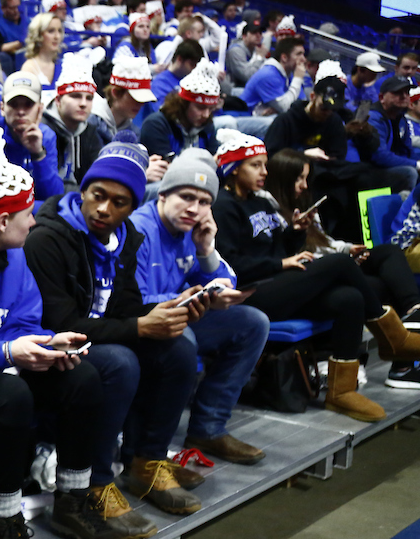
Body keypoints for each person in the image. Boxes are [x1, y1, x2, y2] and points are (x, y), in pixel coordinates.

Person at [0, 127, 130, 539]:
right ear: (2, 221)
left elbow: (26, 320)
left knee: (80, 375)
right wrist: (9, 353)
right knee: (13, 397)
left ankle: (73, 501)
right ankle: (3, 527)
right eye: (27, 214)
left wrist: (49, 344)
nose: (34, 221)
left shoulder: (15, 257)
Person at [25, 141, 208, 517]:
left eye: (120, 203)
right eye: (98, 195)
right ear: (84, 191)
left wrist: (168, 309)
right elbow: (61, 323)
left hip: (95, 336)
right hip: (49, 347)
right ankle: (97, 480)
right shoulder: (48, 237)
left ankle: (147, 463)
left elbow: (122, 307)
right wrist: (141, 325)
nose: (105, 209)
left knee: (179, 347)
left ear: (132, 207)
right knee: (120, 362)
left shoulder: (126, 239)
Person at [212, 132, 420, 420]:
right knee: (339, 263)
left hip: (277, 285)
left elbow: (276, 248)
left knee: (350, 298)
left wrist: (295, 233)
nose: (264, 172)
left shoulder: (260, 201)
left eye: (264, 165)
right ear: (234, 169)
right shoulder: (222, 206)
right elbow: (231, 265)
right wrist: (282, 263)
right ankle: (393, 338)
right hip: (249, 295)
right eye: (255, 166)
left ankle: (341, 392)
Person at [131, 149, 270, 463]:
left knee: (252, 322)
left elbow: (226, 278)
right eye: (186, 197)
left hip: (178, 316)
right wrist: (180, 301)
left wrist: (207, 250)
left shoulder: (192, 230)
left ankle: (208, 428)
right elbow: (131, 301)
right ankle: (149, 454)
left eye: (205, 202)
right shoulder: (139, 230)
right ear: (164, 194)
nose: (194, 209)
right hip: (139, 326)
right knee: (184, 339)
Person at [267, 148, 420, 388]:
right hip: (309, 277)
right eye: (298, 179)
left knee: (388, 253)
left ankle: (415, 310)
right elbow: (292, 257)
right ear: (281, 178)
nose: (305, 185)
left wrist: (348, 249)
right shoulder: (269, 213)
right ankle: (401, 364)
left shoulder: (304, 204)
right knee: (377, 286)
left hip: (334, 263)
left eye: (306, 178)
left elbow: (324, 242)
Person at [0, 70, 62, 202]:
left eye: (28, 104)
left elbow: (53, 196)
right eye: (13, 104)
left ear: (40, 108)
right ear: (2, 108)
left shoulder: (46, 136)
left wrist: (38, 153)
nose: (21, 111)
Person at [140, 61, 221, 161]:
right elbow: (164, 170)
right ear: (183, 104)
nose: (206, 115)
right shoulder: (156, 124)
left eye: (211, 109)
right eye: (200, 107)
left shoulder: (207, 125)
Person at [43, 59, 103, 191]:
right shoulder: (43, 129)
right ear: (58, 100)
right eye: (76, 96)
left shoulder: (89, 131)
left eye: (89, 98)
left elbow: (98, 176)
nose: (83, 103)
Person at [367, 76, 420, 195]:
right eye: (397, 92)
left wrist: (416, 163)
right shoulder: (373, 118)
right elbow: (380, 156)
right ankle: (404, 211)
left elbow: (407, 151)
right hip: (368, 170)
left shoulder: (401, 119)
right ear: (381, 97)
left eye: (406, 92)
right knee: (409, 172)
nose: (404, 96)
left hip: (386, 168)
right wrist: (416, 164)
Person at [90, 57, 156, 144]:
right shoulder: (90, 124)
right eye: (135, 98)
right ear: (116, 93)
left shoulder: (133, 133)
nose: (141, 104)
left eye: (143, 100)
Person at [242, 36, 307, 118]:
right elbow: (284, 107)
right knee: (278, 121)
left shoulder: (289, 73)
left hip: (261, 116)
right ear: (284, 57)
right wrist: (298, 79)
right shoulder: (268, 74)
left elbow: (302, 102)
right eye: (298, 54)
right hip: (245, 115)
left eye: (303, 54)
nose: (303, 59)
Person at [18, 12, 62, 99]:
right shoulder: (28, 68)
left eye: (59, 31)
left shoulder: (65, 66)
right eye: (51, 31)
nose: (57, 36)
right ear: (38, 35)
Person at [150, 39, 204, 106]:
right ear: (179, 59)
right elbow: (162, 112)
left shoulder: (196, 81)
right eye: (192, 64)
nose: (195, 69)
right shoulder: (160, 83)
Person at [225, 19, 265, 88]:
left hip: (246, 86)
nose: (258, 35)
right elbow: (247, 76)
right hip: (232, 87)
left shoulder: (258, 49)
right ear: (244, 36)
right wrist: (260, 57)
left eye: (260, 33)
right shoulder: (235, 50)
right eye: (254, 32)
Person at [346, 51, 385, 116]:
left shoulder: (368, 88)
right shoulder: (344, 84)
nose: (375, 75)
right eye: (372, 72)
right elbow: (346, 108)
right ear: (360, 69)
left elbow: (377, 106)